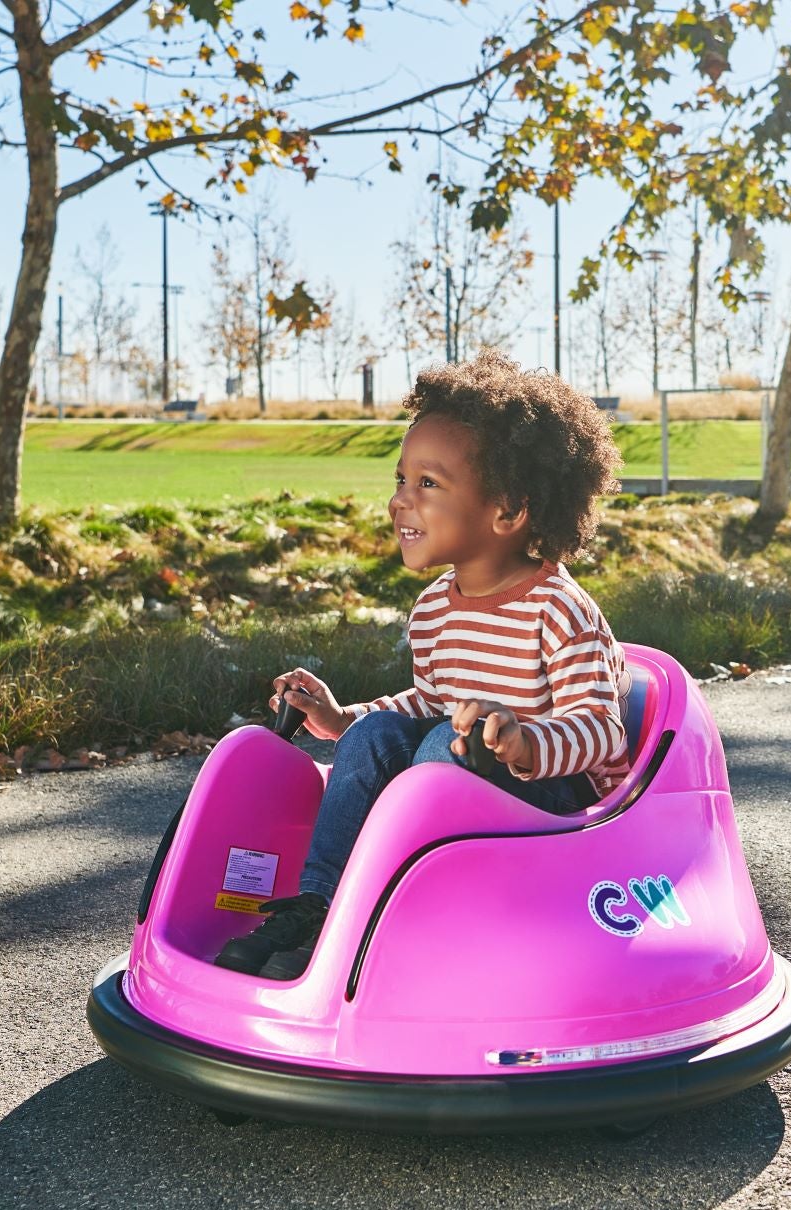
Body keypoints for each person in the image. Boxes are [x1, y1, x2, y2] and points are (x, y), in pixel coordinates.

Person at [214, 352, 629, 979]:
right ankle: (323, 906)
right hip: (462, 778)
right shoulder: (435, 607)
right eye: (401, 480)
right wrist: (340, 718)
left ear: (509, 510)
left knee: (446, 743)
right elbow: (427, 702)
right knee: (383, 736)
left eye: (428, 485)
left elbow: (603, 729)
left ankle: (407, 914)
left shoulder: (560, 610)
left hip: (554, 814)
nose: (400, 502)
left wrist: (522, 740)